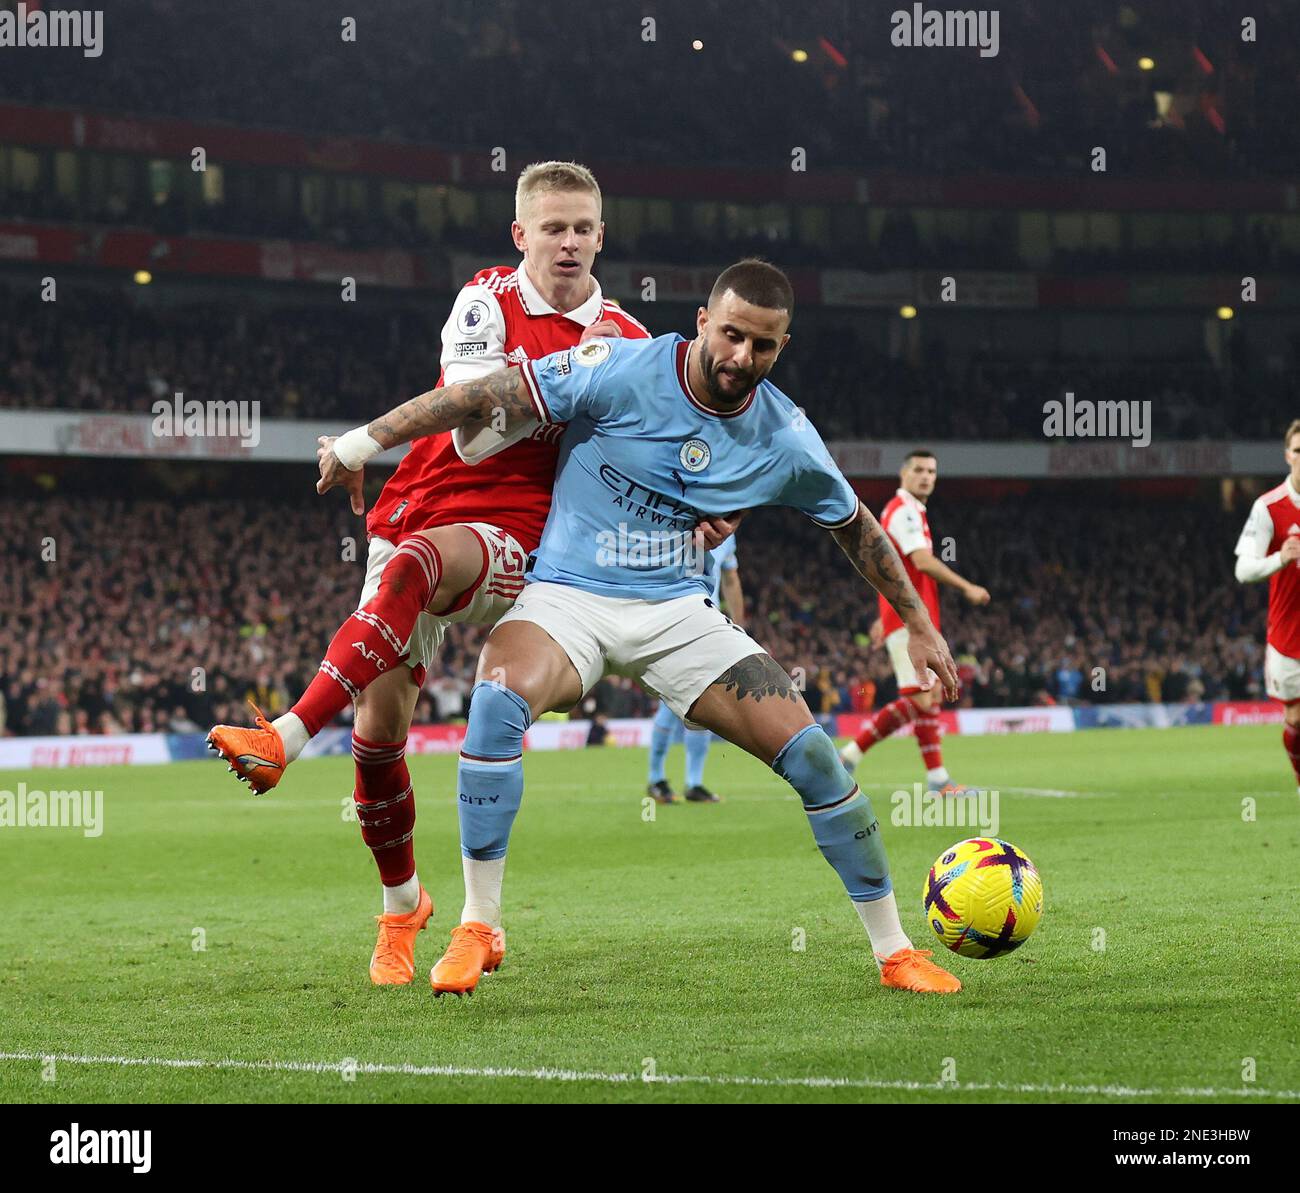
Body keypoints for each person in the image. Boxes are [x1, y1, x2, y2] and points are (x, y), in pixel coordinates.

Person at [318, 258, 964, 998]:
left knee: (818, 760)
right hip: (568, 597)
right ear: (702, 322)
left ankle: (895, 952)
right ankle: (477, 924)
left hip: (678, 614)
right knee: (495, 700)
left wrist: (916, 620)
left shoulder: (785, 434)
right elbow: (476, 394)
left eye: (762, 346)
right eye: (730, 336)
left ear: (783, 346)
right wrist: (361, 442)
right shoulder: (618, 366)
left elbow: (855, 528)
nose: (740, 358)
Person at [207, 161, 673, 986]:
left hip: (520, 531)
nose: (569, 242)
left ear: (603, 235)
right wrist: (570, 390)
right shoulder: (484, 300)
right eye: (552, 227)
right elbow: (469, 429)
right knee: (380, 734)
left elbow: (645, 451)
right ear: (520, 235)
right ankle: (402, 907)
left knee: (428, 566)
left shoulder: (632, 340)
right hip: (419, 503)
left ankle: (282, 735)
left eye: (583, 227)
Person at [838, 451, 990, 793]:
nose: (926, 476)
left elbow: (892, 566)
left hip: (910, 618)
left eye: (932, 471)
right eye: (918, 470)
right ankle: (849, 756)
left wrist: (883, 614)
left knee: (929, 696)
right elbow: (921, 562)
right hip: (910, 621)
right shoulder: (903, 510)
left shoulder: (911, 511)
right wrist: (967, 587)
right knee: (922, 698)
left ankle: (936, 778)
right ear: (904, 474)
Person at [646, 534, 745, 804]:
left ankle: (692, 782)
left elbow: (730, 579)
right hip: (673, 621)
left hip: (707, 626)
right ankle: (657, 779)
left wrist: (739, 626)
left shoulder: (727, 533)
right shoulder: (678, 522)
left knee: (703, 700)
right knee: (671, 702)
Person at [1234, 418, 1300, 792]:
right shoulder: (1269, 507)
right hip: (1289, 633)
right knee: (1295, 719)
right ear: (1287, 455)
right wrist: (1280, 559)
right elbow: (1243, 570)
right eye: (1298, 450)